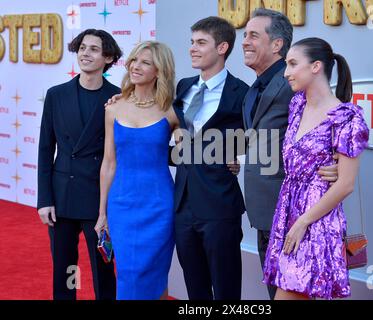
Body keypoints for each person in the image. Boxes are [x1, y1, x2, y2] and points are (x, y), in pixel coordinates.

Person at [241, 8, 339, 299]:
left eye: (253, 36)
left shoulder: (296, 84)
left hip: (292, 212)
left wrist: (334, 162)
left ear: (276, 45)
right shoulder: (252, 90)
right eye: (244, 34)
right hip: (262, 212)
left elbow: (331, 119)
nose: (245, 41)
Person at [262, 37, 369, 300]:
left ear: (316, 66)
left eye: (292, 64)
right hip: (288, 212)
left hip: (316, 221)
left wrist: (303, 222)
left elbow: (345, 184)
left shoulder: (347, 117)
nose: (286, 72)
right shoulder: (297, 105)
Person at [37, 29, 122, 300]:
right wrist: (44, 199)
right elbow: (45, 149)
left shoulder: (118, 98)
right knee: (66, 268)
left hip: (99, 199)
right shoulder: (56, 95)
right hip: (62, 196)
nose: (85, 54)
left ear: (107, 57)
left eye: (94, 49)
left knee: (103, 268)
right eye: (82, 48)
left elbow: (119, 154)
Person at [171, 16, 248, 300]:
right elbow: (176, 130)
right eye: (192, 42)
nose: (192, 48)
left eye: (201, 42)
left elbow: (257, 138)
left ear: (222, 47)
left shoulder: (242, 93)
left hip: (219, 205)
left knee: (227, 291)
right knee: (195, 290)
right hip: (183, 204)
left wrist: (235, 156)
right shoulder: (184, 86)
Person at [96, 41, 179, 300]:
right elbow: (109, 163)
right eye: (134, 60)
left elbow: (191, 150)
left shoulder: (172, 110)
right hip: (121, 205)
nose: (135, 66)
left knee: (155, 274)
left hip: (159, 206)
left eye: (145, 62)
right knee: (128, 274)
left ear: (159, 71)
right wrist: (102, 212)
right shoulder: (113, 108)